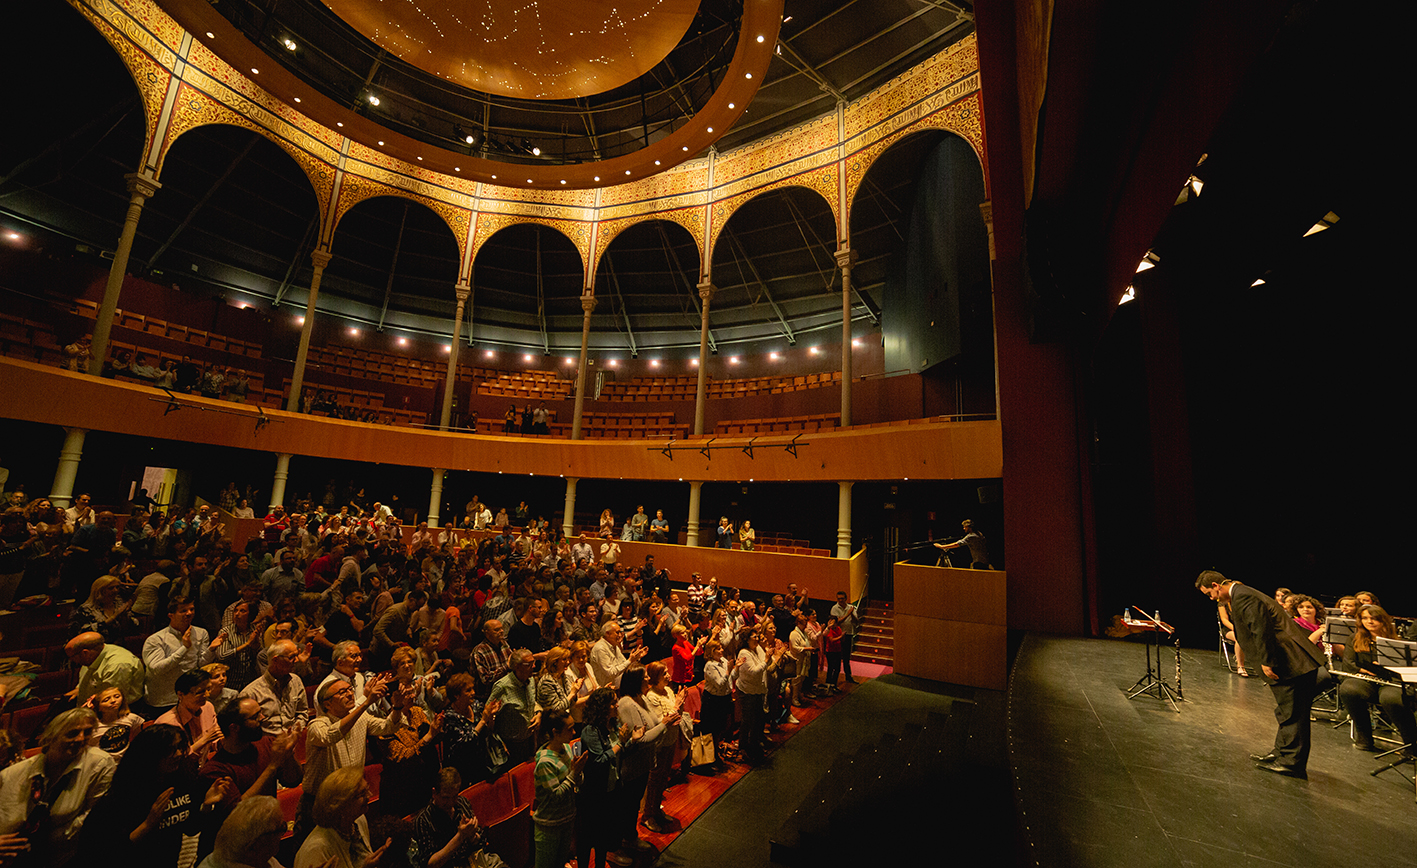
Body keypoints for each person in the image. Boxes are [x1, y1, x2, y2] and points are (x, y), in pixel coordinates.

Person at [1195, 570, 1325, 778]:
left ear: (1216, 585)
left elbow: (1260, 628)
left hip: (1290, 660)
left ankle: (1292, 764)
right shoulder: (1242, 593)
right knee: (1285, 711)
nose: (1211, 598)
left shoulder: (1243, 595)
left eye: (1209, 593)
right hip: (1289, 660)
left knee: (1293, 713)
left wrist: (1267, 661)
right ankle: (1281, 753)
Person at [74, 724, 232, 868]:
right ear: (150, 754)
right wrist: (148, 825)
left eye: (180, 747)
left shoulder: (182, 782)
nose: (178, 754)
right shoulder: (121, 798)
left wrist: (205, 805)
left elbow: (190, 829)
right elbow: (106, 853)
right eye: (170, 749)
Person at [0, 708, 114, 867]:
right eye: (72, 733)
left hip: (62, 857)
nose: (81, 739)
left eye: (87, 732)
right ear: (51, 736)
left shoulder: (99, 764)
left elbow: (93, 818)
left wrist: (43, 841)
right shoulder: (12, 775)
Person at [1337, 604, 1417, 754]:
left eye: (1374, 618)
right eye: (1365, 618)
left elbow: (1406, 669)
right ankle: (1364, 737)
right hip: (1367, 679)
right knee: (1349, 689)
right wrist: (1365, 669)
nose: (1369, 621)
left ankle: (1411, 744)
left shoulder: (1397, 640)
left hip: (1392, 682)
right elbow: (1348, 664)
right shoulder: (1354, 638)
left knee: (1390, 698)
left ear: (1383, 620)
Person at [294, 766, 391, 868]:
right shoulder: (316, 849)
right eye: (362, 793)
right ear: (341, 804)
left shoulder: (358, 821)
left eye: (367, 789)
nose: (369, 795)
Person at [144, 596, 220, 712]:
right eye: (183, 611)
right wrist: (184, 648)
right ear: (171, 615)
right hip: (164, 699)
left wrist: (211, 650)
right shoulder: (156, 639)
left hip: (190, 696)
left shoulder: (201, 633)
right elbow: (157, 669)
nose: (189, 613)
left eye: (191, 609)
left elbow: (200, 664)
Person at [533, 711, 584, 868]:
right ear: (555, 732)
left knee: (561, 862)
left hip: (567, 818)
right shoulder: (545, 762)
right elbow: (556, 795)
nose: (574, 732)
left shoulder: (567, 749)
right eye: (570, 729)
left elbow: (577, 783)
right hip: (549, 825)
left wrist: (579, 772)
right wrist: (575, 773)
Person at [197, 794, 285, 868]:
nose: (282, 834)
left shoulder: (259, 858)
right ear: (254, 845)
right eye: (281, 828)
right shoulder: (257, 856)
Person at [66, 631, 144, 705]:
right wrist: (79, 689)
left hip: (116, 712)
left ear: (85, 653)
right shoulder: (92, 656)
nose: (73, 661)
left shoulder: (117, 665)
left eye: (72, 657)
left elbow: (111, 701)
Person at [829, 591, 859, 685]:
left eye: (842, 598)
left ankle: (848, 676)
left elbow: (856, 620)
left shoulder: (851, 607)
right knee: (836, 658)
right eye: (839, 599)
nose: (840, 600)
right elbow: (836, 622)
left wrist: (852, 614)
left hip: (848, 633)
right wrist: (848, 614)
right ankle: (833, 679)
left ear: (846, 598)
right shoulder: (834, 608)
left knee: (847, 657)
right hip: (837, 635)